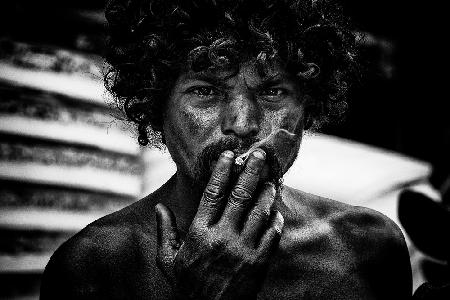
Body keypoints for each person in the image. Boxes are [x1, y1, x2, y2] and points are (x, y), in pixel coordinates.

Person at [40, 0, 413, 299]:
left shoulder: (368, 248)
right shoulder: (93, 269)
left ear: (307, 106)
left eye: (271, 92)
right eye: (206, 91)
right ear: (157, 106)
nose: (243, 123)